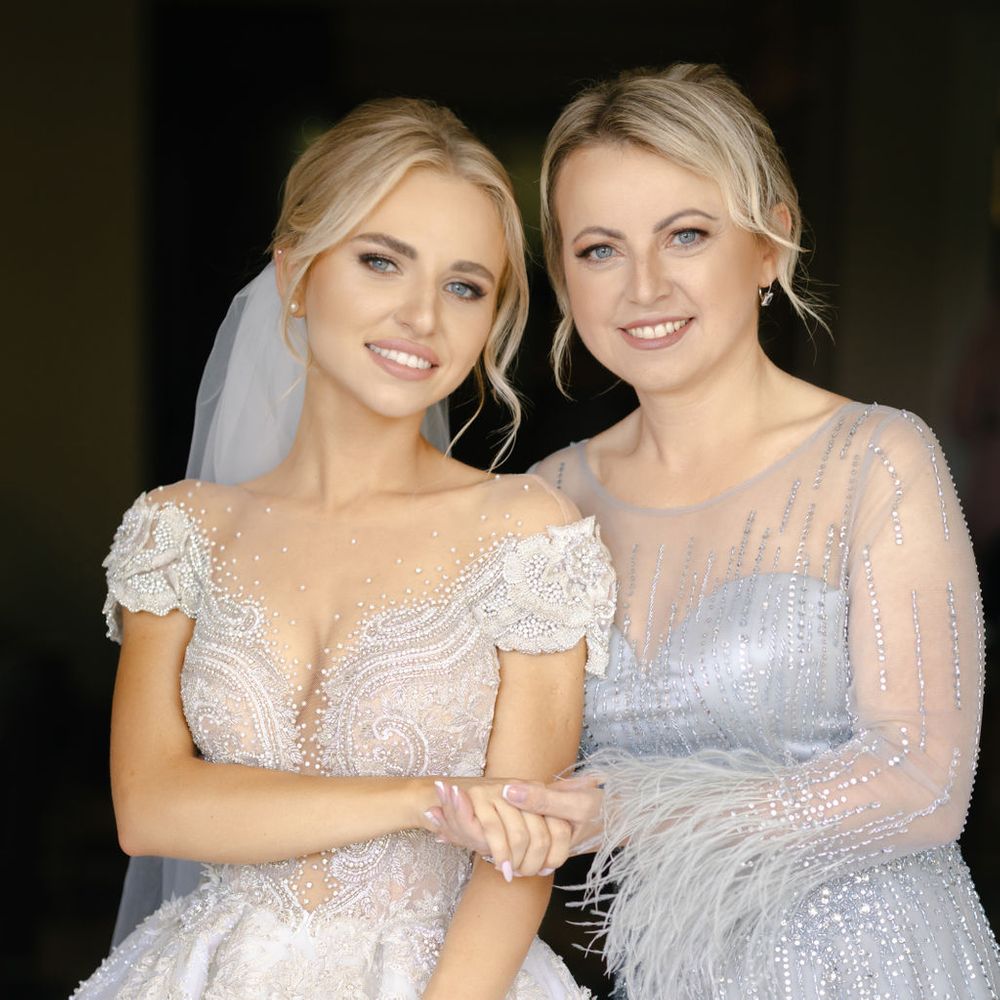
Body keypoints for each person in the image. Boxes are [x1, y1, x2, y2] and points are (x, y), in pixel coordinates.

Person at [430, 64, 1000, 998]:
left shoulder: (877, 459)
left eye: (686, 235)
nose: (644, 286)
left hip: (874, 968)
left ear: (773, 241)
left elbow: (925, 787)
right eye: (600, 250)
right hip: (664, 977)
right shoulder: (544, 500)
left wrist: (624, 814)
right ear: (562, 275)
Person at [72, 97, 616, 999]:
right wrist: (422, 800)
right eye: (380, 262)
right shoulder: (178, 530)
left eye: (464, 286)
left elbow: (519, 855)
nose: (421, 317)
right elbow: (151, 805)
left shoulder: (529, 534)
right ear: (294, 274)